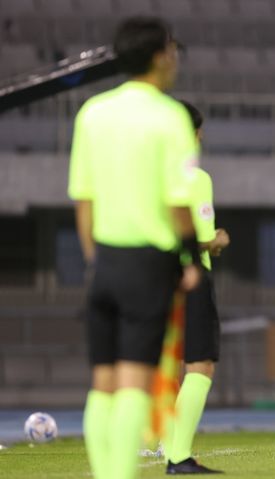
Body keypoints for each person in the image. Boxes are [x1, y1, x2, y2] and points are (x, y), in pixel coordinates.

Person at [67, 17, 202, 479]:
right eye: (172, 48)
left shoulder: (92, 113)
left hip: (104, 258)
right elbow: (178, 201)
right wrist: (188, 259)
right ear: (161, 55)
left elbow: (83, 199)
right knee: (134, 382)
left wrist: (94, 259)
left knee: (101, 384)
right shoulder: (170, 117)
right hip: (149, 263)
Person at [160, 101, 230, 474]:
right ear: (195, 133)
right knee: (199, 366)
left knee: (156, 366)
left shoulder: (147, 173)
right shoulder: (195, 178)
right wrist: (215, 241)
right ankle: (177, 454)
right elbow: (197, 238)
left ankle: (163, 445)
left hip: (147, 277)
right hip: (189, 277)